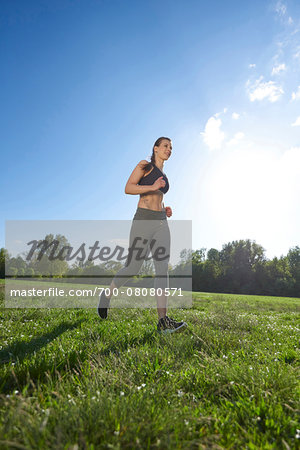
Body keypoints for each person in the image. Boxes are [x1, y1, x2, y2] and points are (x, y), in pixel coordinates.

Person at [97, 137, 187, 334]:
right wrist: (152, 187)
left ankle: (163, 322)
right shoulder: (144, 166)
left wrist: (165, 208)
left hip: (161, 221)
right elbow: (128, 188)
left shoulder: (165, 174)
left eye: (171, 147)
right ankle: (107, 294)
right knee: (132, 267)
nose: (169, 149)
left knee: (162, 268)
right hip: (143, 220)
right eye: (165, 146)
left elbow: (157, 197)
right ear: (155, 148)